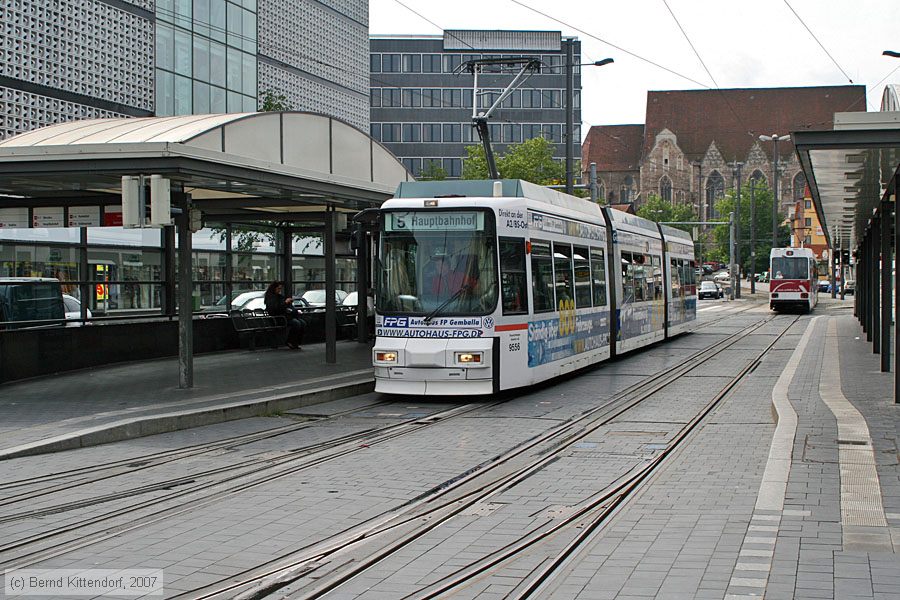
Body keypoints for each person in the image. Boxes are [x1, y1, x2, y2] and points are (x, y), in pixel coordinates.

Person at [264, 280, 305, 350]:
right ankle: (291, 341)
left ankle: (295, 342)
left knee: (303, 323)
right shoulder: (271, 298)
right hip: (278, 318)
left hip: (285, 317)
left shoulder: (279, 297)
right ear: (274, 289)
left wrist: (290, 308)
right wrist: (285, 303)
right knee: (296, 323)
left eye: (280, 289)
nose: (279, 290)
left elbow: (284, 307)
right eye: (278, 289)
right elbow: (275, 309)